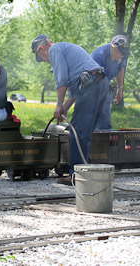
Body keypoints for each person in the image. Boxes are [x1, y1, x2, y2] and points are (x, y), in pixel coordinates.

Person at [32, 34, 109, 185]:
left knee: (77, 133)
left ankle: (77, 176)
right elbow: (74, 90)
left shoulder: (54, 49)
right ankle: (87, 172)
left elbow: (61, 80)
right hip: (100, 83)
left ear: (41, 48)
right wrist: (65, 108)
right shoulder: (67, 48)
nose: (45, 61)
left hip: (90, 85)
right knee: (85, 133)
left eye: (42, 58)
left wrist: (59, 103)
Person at [91, 35, 130, 130]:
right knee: (93, 120)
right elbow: (95, 79)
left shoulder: (122, 55)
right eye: (119, 53)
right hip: (91, 87)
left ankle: (106, 139)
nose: (122, 55)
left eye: (123, 54)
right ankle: (93, 140)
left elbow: (121, 68)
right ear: (112, 46)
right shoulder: (98, 56)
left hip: (104, 85)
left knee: (105, 122)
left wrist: (120, 88)